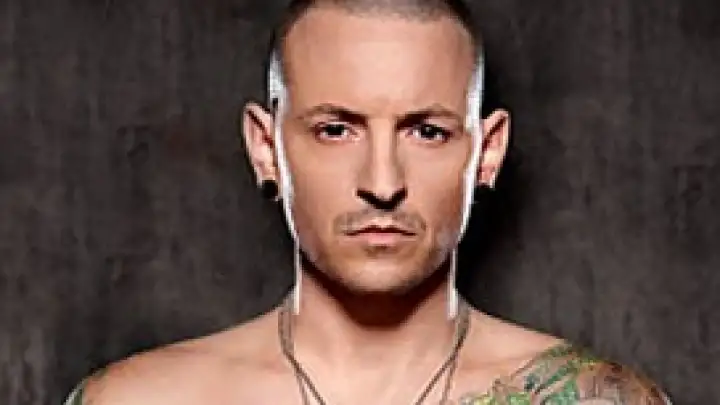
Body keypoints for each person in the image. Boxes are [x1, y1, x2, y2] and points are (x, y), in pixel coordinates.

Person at [64, 0, 672, 404]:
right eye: (336, 130)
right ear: (266, 148)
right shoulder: (140, 400)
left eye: (426, 131)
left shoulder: (593, 399)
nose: (382, 182)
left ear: (486, 152)